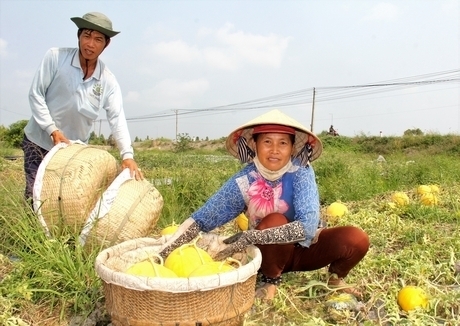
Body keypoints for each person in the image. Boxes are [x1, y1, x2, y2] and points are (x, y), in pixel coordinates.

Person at [158, 109, 369, 300]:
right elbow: (204, 218)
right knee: (275, 220)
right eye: (267, 142)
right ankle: (270, 279)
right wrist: (163, 252)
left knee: (356, 239)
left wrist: (251, 236)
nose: (275, 150)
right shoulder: (245, 180)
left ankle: (336, 278)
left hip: (305, 250)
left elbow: (307, 225)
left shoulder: (301, 172)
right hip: (265, 256)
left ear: (292, 147)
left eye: (283, 143)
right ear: (254, 145)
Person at [22, 12, 143, 203]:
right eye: (86, 36)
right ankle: (30, 231)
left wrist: (127, 155)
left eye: (98, 39)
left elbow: (117, 119)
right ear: (78, 36)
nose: (90, 44)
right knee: (34, 196)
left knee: (65, 201)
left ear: (106, 44)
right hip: (39, 141)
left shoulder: (108, 81)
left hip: (72, 153)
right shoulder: (55, 57)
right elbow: (35, 94)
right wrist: (52, 130)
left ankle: (57, 234)